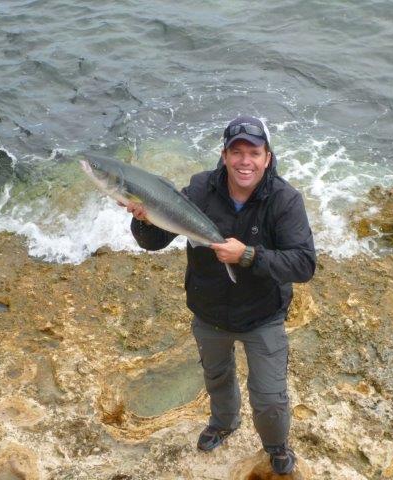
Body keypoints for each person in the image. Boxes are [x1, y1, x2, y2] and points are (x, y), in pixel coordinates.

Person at [125, 115, 316, 475]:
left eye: (254, 153)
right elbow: (154, 241)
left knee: (270, 398)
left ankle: (276, 445)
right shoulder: (200, 189)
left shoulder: (285, 200)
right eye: (236, 152)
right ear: (224, 155)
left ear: (268, 158)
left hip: (263, 315)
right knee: (217, 378)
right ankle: (224, 423)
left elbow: (304, 264)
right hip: (209, 311)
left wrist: (248, 255)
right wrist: (143, 219)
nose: (245, 161)